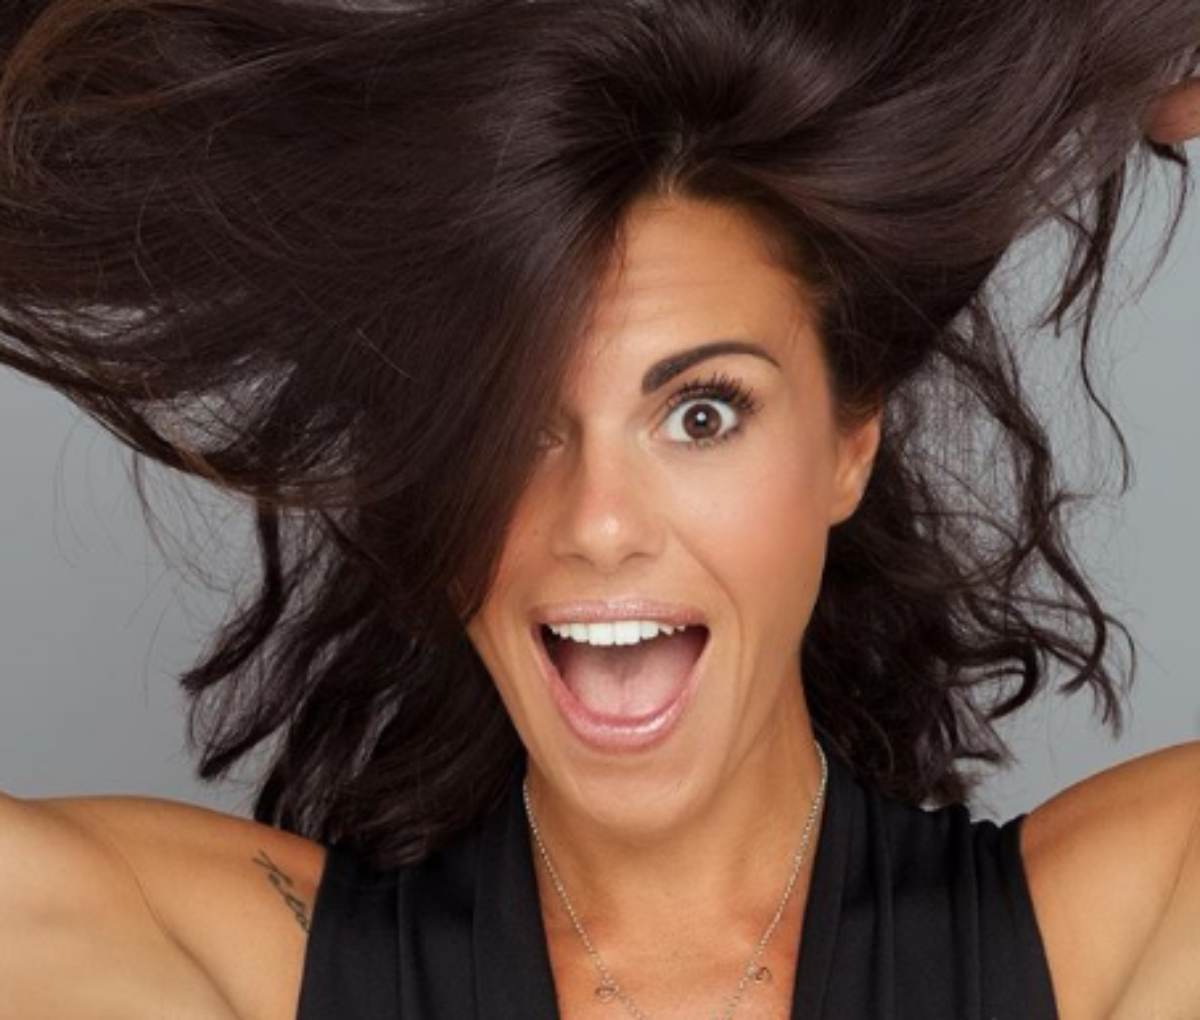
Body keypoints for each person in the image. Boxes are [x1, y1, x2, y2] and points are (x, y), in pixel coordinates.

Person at [0, 1, 1199, 1017]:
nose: (600, 522)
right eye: (518, 426)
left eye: (702, 414)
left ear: (849, 444)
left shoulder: (1103, 933)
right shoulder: (248, 969)